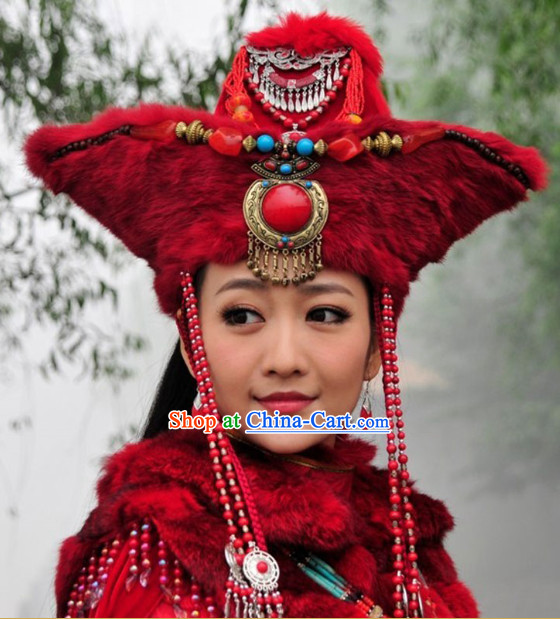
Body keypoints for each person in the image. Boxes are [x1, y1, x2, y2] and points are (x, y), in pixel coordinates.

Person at [24, 11, 547, 619]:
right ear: (194, 345)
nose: (285, 360)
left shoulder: (402, 549)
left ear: (378, 344)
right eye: (243, 315)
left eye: (325, 314)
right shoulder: (150, 559)